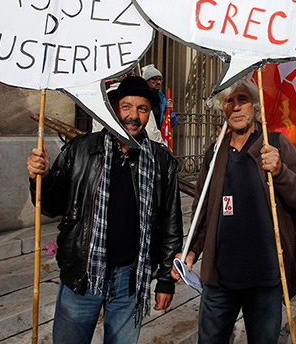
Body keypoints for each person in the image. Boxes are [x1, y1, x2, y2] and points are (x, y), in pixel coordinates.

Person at [26, 76, 182, 344]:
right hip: (81, 275)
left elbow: (170, 223)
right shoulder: (81, 149)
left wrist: (166, 279)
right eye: (126, 107)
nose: (133, 116)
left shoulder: (161, 159)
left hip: (130, 280)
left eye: (142, 109)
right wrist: (40, 178)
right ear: (113, 109)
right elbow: (51, 206)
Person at [176, 78, 296, 343]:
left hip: (266, 277)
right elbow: (202, 210)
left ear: (255, 106)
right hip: (220, 279)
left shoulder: (276, 145)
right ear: (223, 108)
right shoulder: (215, 152)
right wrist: (192, 249)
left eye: (243, 99)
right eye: (230, 101)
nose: (236, 107)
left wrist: (281, 171)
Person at [141, 64, 177, 143]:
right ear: (146, 81)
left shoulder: (162, 99)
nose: (158, 82)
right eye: (154, 79)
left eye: (160, 79)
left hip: (158, 139)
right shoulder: (141, 98)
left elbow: (171, 123)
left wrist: (169, 111)